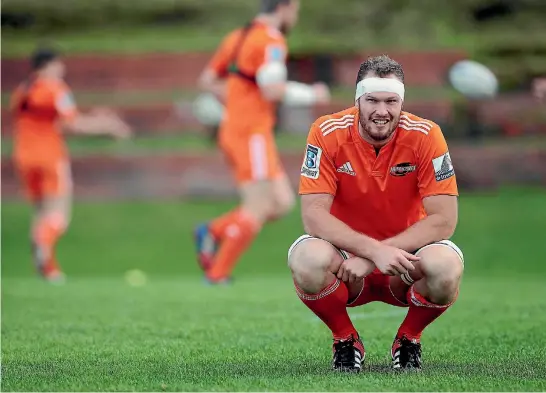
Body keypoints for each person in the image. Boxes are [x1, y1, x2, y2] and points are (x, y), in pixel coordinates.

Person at [287, 55, 464, 371]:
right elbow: (313, 214)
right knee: (306, 259)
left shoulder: (427, 135)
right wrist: (371, 252)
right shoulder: (326, 131)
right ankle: (345, 339)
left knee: (446, 267)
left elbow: (445, 219)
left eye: (391, 101)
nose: (382, 111)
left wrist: (378, 255)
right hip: (346, 264)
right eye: (372, 100)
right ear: (358, 99)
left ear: (401, 102)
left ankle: (409, 338)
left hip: (405, 263)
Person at [193, 0, 330, 284]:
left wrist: (238, 99)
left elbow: (206, 80)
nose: (295, 16)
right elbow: (272, 91)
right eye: (296, 10)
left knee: (280, 202)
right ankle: (218, 274)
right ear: (285, 6)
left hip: (240, 129)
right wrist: (313, 94)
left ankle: (214, 231)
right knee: (256, 207)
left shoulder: (238, 36)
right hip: (250, 133)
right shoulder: (271, 40)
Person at [10, 47, 132, 282]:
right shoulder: (55, 88)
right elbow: (72, 123)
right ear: (48, 65)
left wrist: (97, 119)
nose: (62, 69)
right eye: (59, 64)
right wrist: (107, 125)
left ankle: (46, 268)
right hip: (49, 156)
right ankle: (44, 248)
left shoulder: (22, 90)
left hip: (24, 157)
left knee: (41, 212)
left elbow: (45, 120)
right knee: (59, 215)